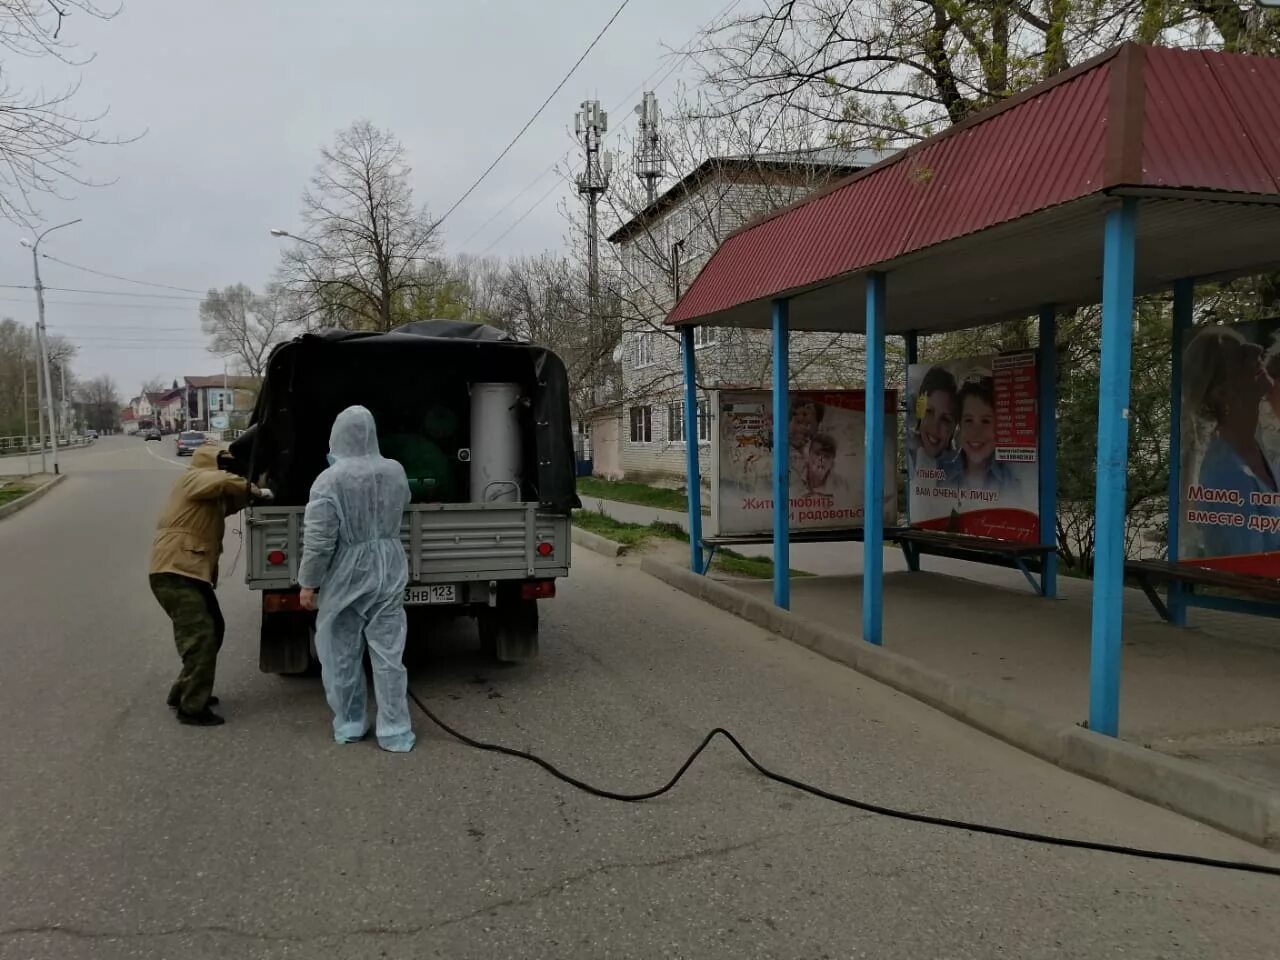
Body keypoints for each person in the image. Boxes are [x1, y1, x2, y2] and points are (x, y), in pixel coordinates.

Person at [298, 405, 416, 753]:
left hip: (349, 574)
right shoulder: (395, 470)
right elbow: (404, 504)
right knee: (390, 654)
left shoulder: (329, 480)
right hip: (390, 567)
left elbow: (320, 541)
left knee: (342, 653)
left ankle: (351, 724)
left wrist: (309, 583)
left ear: (337, 436)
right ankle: (395, 731)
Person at [150, 444, 265, 726]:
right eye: (224, 464)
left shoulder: (209, 494)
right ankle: (192, 708)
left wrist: (258, 485)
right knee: (201, 635)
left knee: (214, 627)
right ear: (211, 464)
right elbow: (224, 482)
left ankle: (185, 690)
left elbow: (235, 498)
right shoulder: (193, 478)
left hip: (188, 571)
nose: (229, 470)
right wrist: (255, 488)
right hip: (174, 570)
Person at [1183, 326, 1280, 558]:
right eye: (1240, 356)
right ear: (1221, 392)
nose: (1256, 350)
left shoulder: (1259, 445)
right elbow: (1249, 569)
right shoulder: (1225, 472)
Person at [943, 375, 1018, 495]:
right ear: (959, 425)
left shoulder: (1010, 480)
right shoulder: (941, 475)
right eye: (968, 420)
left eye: (986, 421)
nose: (975, 431)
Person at [908, 365, 958, 478]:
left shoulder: (960, 470)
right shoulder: (909, 457)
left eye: (945, 419)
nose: (935, 428)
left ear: (955, 426)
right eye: (929, 411)